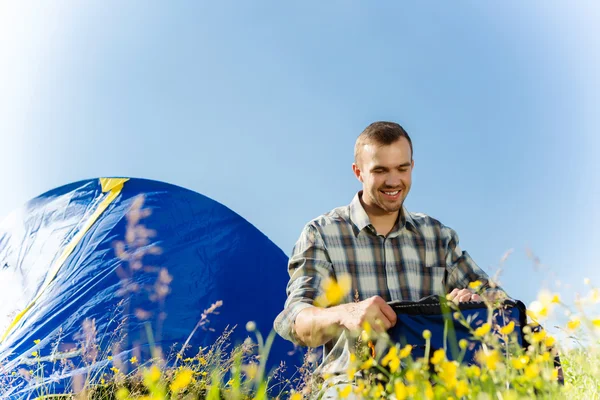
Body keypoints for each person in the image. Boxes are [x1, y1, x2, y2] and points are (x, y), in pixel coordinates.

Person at [274, 121, 507, 398]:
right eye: (380, 170)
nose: (394, 181)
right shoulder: (322, 233)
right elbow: (296, 322)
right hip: (352, 384)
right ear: (358, 172)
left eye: (402, 168)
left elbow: (499, 301)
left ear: (412, 166)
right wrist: (346, 313)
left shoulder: (437, 235)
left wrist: (474, 302)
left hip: (435, 379)